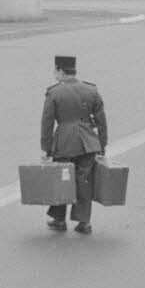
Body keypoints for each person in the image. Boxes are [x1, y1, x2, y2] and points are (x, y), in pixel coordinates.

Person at [40, 55, 108, 235]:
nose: (54, 73)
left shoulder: (54, 93)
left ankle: (59, 219)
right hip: (88, 143)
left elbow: (47, 123)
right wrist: (102, 145)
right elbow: (101, 121)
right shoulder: (91, 90)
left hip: (64, 143)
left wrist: (46, 148)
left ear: (61, 71)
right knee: (84, 181)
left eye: (55, 70)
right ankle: (84, 222)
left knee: (62, 179)